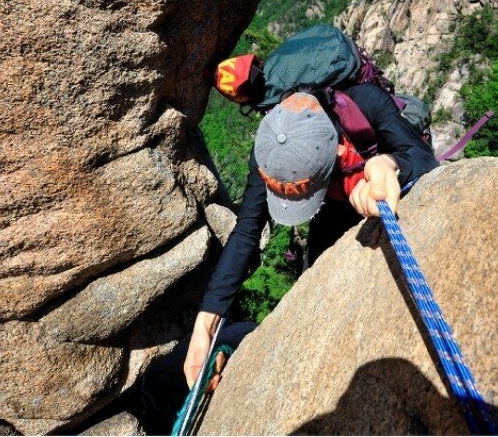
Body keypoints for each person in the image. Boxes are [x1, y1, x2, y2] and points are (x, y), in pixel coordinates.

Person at [183, 78, 439, 391]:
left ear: (337, 149)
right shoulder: (272, 151)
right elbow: (247, 230)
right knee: (319, 286)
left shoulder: (367, 102)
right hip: (330, 203)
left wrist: (388, 163)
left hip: (370, 182)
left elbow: (424, 158)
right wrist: (205, 325)